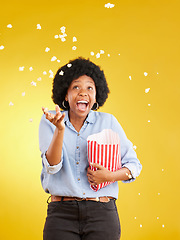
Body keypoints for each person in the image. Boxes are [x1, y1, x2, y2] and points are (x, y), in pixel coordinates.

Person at [39, 57, 142, 240]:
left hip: (102, 214)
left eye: (89, 88)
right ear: (65, 94)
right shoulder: (51, 121)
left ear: (96, 96)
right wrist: (60, 130)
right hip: (61, 214)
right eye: (76, 87)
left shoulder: (108, 122)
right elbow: (52, 167)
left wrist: (109, 176)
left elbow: (134, 166)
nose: (83, 93)